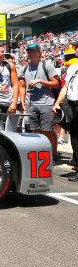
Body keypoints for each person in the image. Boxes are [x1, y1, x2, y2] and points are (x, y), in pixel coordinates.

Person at [19, 43, 60, 161]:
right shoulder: (24, 68)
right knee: (36, 130)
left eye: (34, 52)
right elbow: (22, 86)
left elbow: (56, 83)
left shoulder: (47, 65)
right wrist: (22, 102)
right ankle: (41, 153)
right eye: (29, 52)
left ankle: (53, 153)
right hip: (30, 103)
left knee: (47, 130)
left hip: (46, 103)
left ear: (40, 53)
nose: (31, 54)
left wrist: (40, 81)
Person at [53, 47, 78, 181]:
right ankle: (77, 168)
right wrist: (57, 102)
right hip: (72, 104)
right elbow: (65, 87)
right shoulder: (73, 68)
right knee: (74, 137)